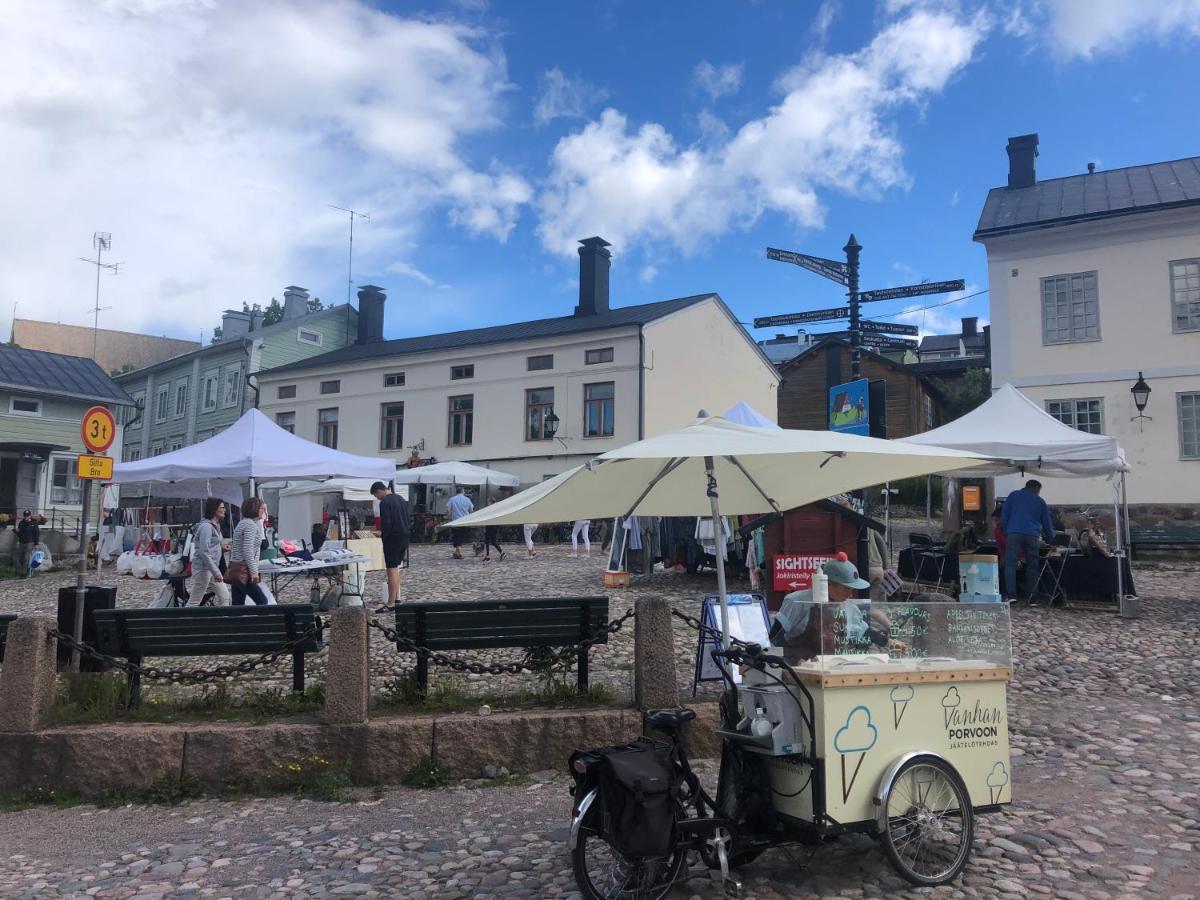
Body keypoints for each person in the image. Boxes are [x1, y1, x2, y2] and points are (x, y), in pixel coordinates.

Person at [770, 558, 884, 663]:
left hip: (835, 665)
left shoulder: (850, 608)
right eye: (846, 588)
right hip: (801, 668)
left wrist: (888, 642)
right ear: (828, 584)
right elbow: (775, 637)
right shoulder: (796, 602)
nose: (850, 594)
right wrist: (795, 659)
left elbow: (863, 632)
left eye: (852, 589)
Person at [1000, 480, 1054, 605]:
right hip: (1032, 535)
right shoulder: (1040, 501)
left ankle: (1011, 595)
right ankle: (1032, 597)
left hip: (1014, 532)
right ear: (1036, 488)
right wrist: (1052, 541)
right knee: (1032, 566)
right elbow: (1047, 524)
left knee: (1010, 564)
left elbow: (1004, 514)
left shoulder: (1013, 495)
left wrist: (1007, 530)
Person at [371, 481, 410, 610]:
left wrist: (382, 534)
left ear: (379, 491)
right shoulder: (401, 499)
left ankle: (391, 602)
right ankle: (395, 597)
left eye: (377, 496)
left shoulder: (385, 503)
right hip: (404, 536)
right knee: (396, 568)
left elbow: (386, 522)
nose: (378, 498)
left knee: (391, 569)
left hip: (393, 538)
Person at [227, 497, 270, 606]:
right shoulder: (250, 525)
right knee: (262, 601)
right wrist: (254, 571)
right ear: (255, 509)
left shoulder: (243, 523)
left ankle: (237, 623)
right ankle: (261, 623)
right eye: (261, 509)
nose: (263, 512)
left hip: (237, 569)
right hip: (244, 570)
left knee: (238, 604)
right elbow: (248, 550)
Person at [190, 498, 231, 606]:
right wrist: (216, 572)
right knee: (195, 601)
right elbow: (204, 551)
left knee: (225, 596)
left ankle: (223, 621)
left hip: (211, 568)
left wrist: (221, 549)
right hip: (204, 569)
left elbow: (210, 547)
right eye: (222, 507)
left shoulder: (215, 526)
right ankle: (185, 621)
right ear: (214, 510)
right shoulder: (206, 527)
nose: (224, 510)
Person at [445, 487, 474, 560]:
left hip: (456, 521)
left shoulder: (452, 499)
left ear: (457, 492)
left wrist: (449, 518)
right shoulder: (467, 499)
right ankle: (458, 553)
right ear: (462, 492)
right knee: (461, 537)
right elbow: (471, 510)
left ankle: (458, 553)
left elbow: (448, 510)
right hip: (465, 521)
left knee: (456, 537)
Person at [16, 509, 39, 577]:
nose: (26, 517)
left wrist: (36, 543)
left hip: (30, 542)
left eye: (27, 516)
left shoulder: (34, 523)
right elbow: (19, 532)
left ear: (30, 516)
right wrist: (16, 531)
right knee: (20, 558)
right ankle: (23, 571)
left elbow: (36, 533)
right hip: (21, 542)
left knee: (26, 558)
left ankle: (23, 574)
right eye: (25, 516)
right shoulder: (21, 523)